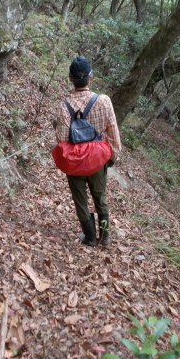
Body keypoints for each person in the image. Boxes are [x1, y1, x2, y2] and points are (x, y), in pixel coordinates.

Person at [54, 57, 121, 246]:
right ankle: (105, 237)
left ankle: (90, 237)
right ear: (90, 77)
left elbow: (61, 139)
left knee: (80, 201)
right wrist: (112, 156)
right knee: (100, 197)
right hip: (97, 159)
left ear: (70, 78)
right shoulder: (104, 101)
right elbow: (113, 131)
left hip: (75, 162)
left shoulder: (64, 105)